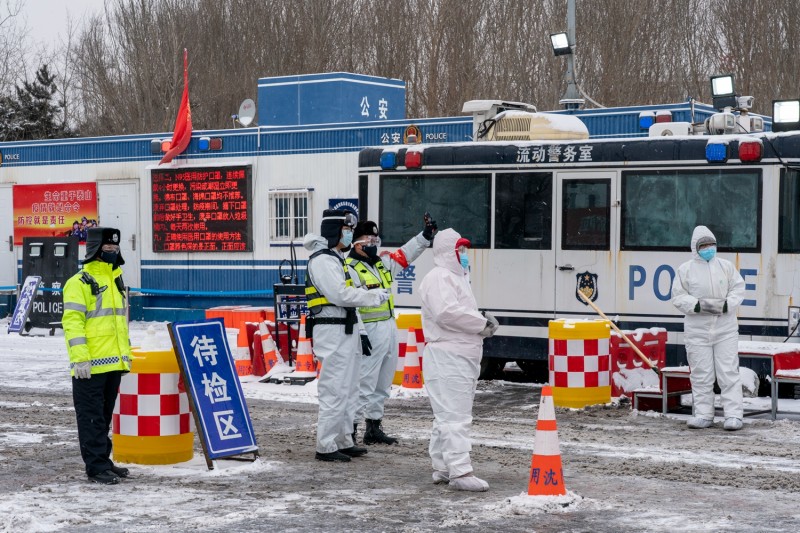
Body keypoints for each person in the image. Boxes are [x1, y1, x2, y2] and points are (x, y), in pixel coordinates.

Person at [303, 209, 390, 462]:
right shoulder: (322, 260)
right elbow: (340, 294)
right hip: (331, 329)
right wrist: (373, 297)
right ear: (334, 231)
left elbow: (353, 289)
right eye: (346, 229)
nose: (350, 234)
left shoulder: (336, 258)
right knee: (335, 388)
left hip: (346, 328)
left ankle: (343, 439)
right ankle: (326, 445)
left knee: (351, 387)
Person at [419, 228, 499, 491]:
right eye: (459, 249)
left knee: (446, 415)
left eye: (464, 249)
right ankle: (460, 472)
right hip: (448, 356)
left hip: (457, 356)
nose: (464, 254)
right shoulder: (440, 277)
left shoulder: (457, 277)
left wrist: (480, 321)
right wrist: (481, 323)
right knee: (455, 416)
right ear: (447, 251)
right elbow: (447, 313)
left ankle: (444, 467)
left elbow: (456, 311)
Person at [346, 216, 437, 445]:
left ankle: (373, 427)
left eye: (377, 239)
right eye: (370, 239)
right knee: (364, 383)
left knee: (383, 382)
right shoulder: (350, 269)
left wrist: (424, 236)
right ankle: (351, 432)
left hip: (388, 326)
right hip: (369, 330)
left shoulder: (380, 263)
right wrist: (362, 333)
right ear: (357, 243)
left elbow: (405, 254)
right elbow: (349, 302)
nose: (375, 243)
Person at [62, 227, 132, 484]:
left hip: (113, 363)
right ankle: (95, 467)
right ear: (94, 250)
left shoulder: (116, 281)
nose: (112, 253)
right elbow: (73, 323)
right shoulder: (78, 283)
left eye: (115, 249)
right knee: (90, 418)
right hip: (88, 366)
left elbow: (119, 324)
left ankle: (103, 459)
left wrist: (125, 356)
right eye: (107, 249)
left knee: (103, 417)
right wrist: (80, 358)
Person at [671, 225, 745, 431]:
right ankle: (704, 414)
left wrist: (727, 305)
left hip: (725, 329)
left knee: (728, 372)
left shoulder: (726, 267)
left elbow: (738, 289)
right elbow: (677, 296)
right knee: (701, 373)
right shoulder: (685, 270)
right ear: (695, 248)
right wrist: (697, 306)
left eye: (711, 244)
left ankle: (734, 416)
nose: (708, 248)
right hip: (697, 331)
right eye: (703, 245)